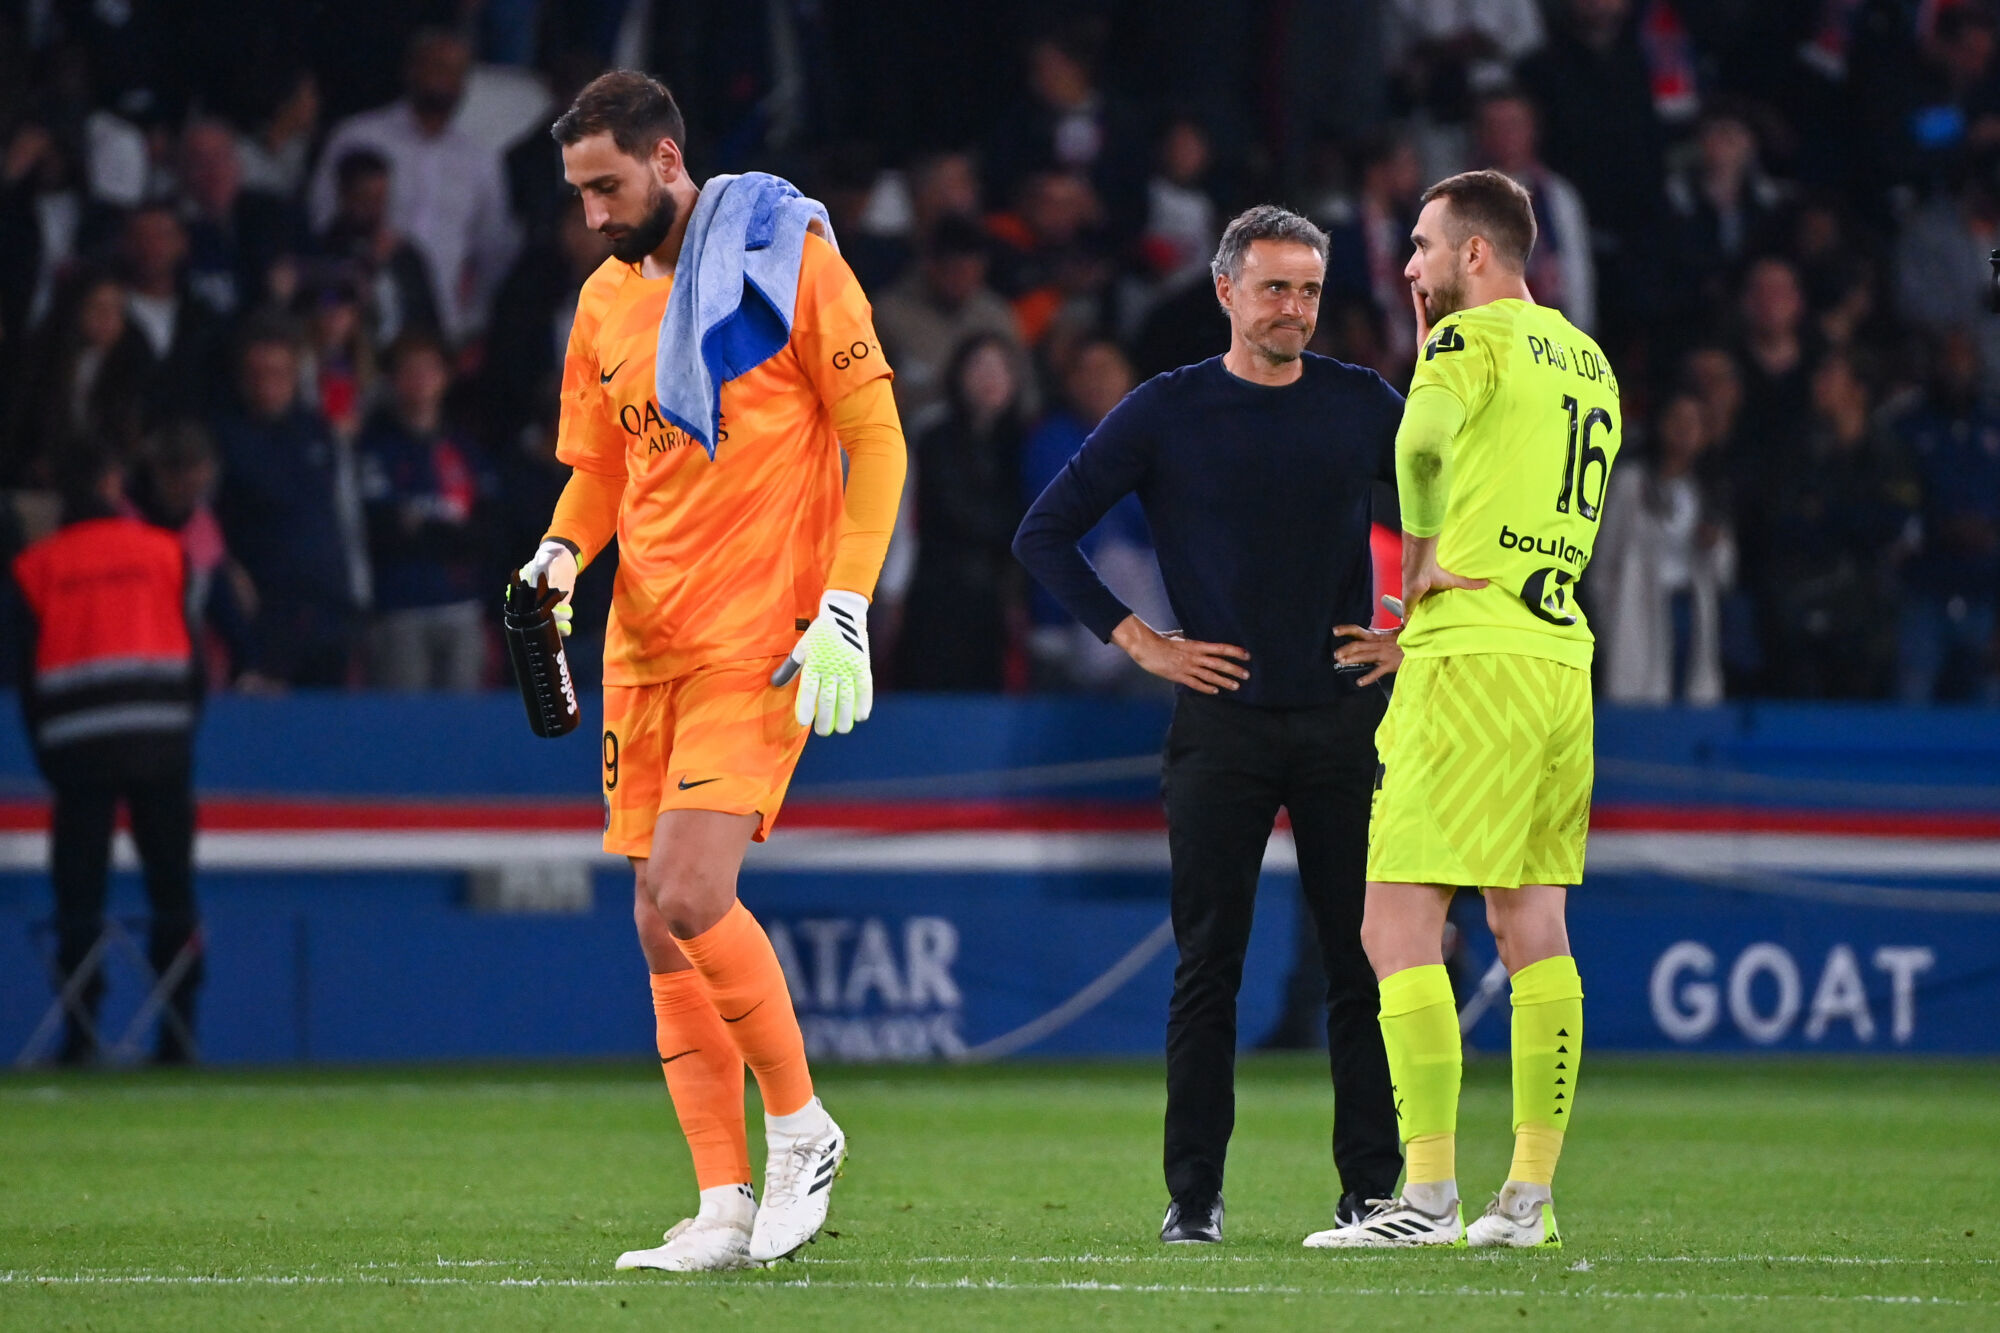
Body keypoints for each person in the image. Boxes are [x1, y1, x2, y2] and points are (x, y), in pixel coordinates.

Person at [518, 71, 906, 1272]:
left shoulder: (784, 256)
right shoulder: (598, 304)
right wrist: (557, 551)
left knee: (690, 891)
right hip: (645, 641)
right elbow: (602, 466)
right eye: (576, 190)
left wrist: (844, 605)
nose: (589, 211)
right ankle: (721, 1202)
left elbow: (875, 435)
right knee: (655, 924)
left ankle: (801, 1130)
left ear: (669, 159)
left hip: (760, 631)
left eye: (606, 185)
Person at [1014, 205, 1405, 1245]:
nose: (1294, 309)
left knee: (1359, 963)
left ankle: (1371, 1192)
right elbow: (1041, 531)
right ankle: (1193, 1197)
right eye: (1274, 288)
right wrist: (1138, 639)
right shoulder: (1165, 410)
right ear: (1224, 291)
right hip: (1219, 724)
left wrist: (1413, 630)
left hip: (1336, 719)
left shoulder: (1362, 403)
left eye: (1310, 291)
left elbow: (1455, 512)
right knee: (1208, 967)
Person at [1304, 169, 1619, 1251]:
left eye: (1423, 247)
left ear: (1476, 255)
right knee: (1529, 922)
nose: (1407, 268)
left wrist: (1423, 558)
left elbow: (1420, 447)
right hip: (1557, 656)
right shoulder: (1587, 361)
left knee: (1393, 921)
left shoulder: (1463, 342)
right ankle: (1524, 1199)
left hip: (1471, 661)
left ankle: (1427, 1197)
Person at [10, 444, 202, 1064]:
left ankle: (80, 1033)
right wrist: (179, 733)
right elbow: (194, 661)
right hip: (162, 745)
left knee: (78, 897)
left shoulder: (36, 568)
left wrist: (50, 757)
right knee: (172, 890)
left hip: (77, 755)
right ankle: (177, 1034)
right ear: (114, 484)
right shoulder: (165, 553)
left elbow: (25, 680)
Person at [356, 331, 493, 690]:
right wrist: (447, 531)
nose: (420, 380)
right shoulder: (375, 447)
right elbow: (382, 529)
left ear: (444, 378)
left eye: (429, 370)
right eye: (409, 370)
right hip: (400, 607)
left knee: (463, 730)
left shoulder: (464, 447)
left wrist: (423, 527)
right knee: (403, 728)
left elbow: (484, 530)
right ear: (393, 380)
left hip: (461, 604)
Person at [895, 334, 1029, 691]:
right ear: (958, 375)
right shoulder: (935, 438)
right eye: (980, 367)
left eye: (1000, 368)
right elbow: (952, 512)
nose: (991, 377)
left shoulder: (1023, 442)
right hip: (939, 590)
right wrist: (1016, 529)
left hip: (999, 593)